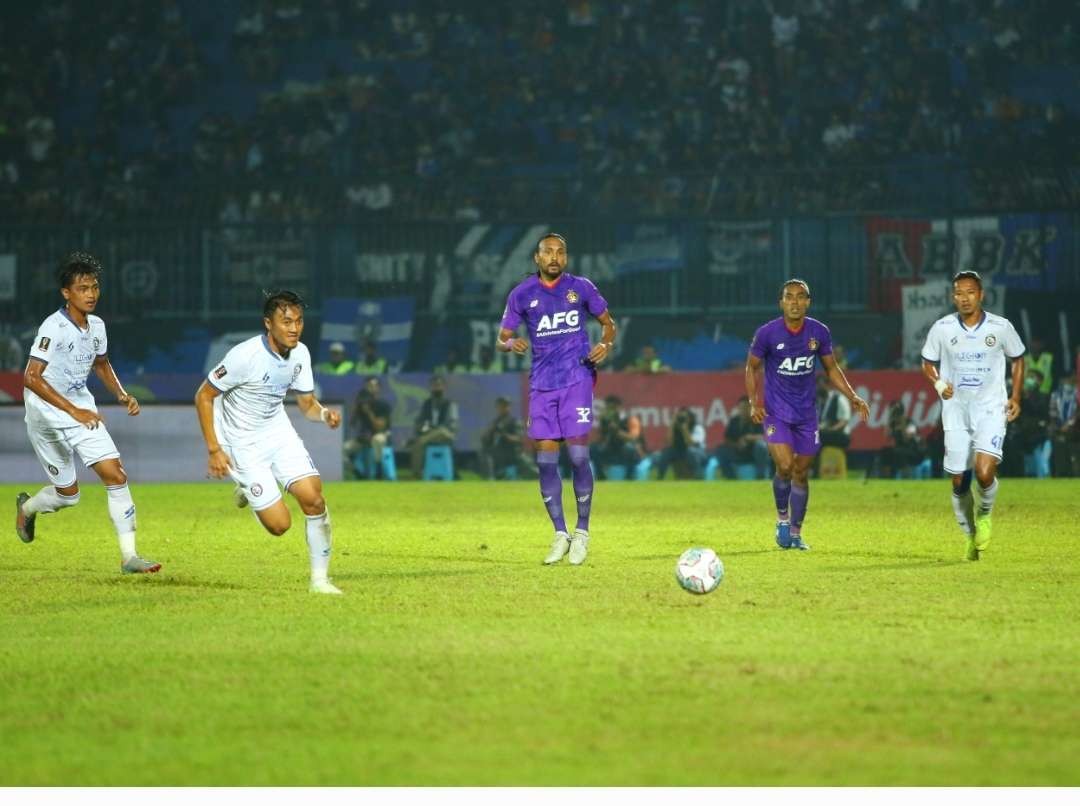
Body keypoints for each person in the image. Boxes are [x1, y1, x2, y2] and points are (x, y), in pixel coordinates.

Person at [15, 252, 160, 574]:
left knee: (116, 475)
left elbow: (101, 363)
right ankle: (27, 508)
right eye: (83, 288)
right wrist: (72, 410)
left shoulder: (97, 326)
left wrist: (122, 395)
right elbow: (31, 377)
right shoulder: (52, 328)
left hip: (82, 411)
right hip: (46, 415)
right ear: (66, 293)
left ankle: (129, 557)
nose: (91, 294)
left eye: (95, 287)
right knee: (68, 496)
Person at [194, 290, 344, 594]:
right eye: (286, 321)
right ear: (268, 323)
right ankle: (248, 489)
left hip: (278, 433)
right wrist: (214, 449)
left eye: (299, 321)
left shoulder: (300, 353)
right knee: (280, 526)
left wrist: (325, 414)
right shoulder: (243, 356)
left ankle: (320, 581)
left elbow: (306, 404)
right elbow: (204, 396)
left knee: (314, 499)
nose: (294, 328)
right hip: (244, 444)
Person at [496, 232, 616, 566]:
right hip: (542, 385)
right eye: (548, 252)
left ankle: (582, 533)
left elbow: (609, 325)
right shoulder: (522, 294)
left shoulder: (582, 288)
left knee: (578, 457)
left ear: (566, 258)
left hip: (577, 378)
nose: (554, 257)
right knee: (546, 461)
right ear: (537, 258)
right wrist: (511, 344)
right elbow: (501, 339)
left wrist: (605, 345)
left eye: (560, 252)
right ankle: (560, 533)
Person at [745, 278, 869, 550]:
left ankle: (797, 532)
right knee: (785, 467)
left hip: (806, 416)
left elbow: (832, 369)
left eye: (800, 297)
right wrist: (754, 403)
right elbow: (751, 367)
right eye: (789, 296)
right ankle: (781, 518)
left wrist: (853, 396)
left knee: (801, 472)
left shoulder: (819, 332)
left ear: (808, 302)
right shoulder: (767, 333)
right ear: (781, 302)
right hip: (776, 413)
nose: (794, 301)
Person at [921, 270, 1025, 561]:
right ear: (953, 296)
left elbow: (1018, 358)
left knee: (983, 471)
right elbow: (927, 363)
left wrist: (1015, 396)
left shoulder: (1000, 327)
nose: (964, 298)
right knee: (959, 481)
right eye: (958, 293)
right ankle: (969, 537)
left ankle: (986, 513)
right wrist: (940, 383)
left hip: (991, 408)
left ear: (981, 295)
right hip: (956, 412)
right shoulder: (942, 328)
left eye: (970, 292)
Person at [408, 374, 459, 478]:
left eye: (439, 385)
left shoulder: (450, 404)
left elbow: (452, 425)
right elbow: (420, 421)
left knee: (439, 431)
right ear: (430, 387)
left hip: (446, 434)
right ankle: (417, 473)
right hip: (429, 435)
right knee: (420, 440)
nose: (437, 387)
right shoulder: (427, 404)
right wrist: (422, 428)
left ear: (444, 387)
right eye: (434, 385)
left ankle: (419, 440)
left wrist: (433, 429)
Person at [343, 376, 392, 479]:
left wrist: (369, 412)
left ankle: (379, 472)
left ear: (379, 388)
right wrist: (356, 407)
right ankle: (358, 472)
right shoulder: (362, 403)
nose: (371, 388)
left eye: (374, 386)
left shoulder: (383, 404)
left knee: (377, 440)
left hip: (381, 434)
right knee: (343, 449)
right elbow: (352, 424)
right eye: (369, 386)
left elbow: (380, 427)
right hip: (364, 437)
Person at [714, 396, 770, 479]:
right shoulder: (734, 421)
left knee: (761, 446)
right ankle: (731, 477)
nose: (744, 410)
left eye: (746, 408)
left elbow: (767, 436)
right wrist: (737, 444)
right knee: (720, 449)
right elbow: (727, 439)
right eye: (741, 408)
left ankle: (761, 476)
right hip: (738, 452)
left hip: (752, 452)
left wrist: (749, 438)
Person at [594, 394, 646, 479]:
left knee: (631, 449)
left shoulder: (630, 419)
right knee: (593, 449)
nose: (611, 411)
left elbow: (633, 437)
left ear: (619, 407)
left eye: (613, 408)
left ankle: (629, 477)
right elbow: (602, 438)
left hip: (625, 448)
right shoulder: (605, 420)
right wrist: (604, 425)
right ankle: (601, 477)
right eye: (608, 408)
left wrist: (617, 431)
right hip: (610, 448)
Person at [479, 395, 529, 480]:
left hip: (513, 453)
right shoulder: (495, 422)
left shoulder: (514, 421)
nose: (502, 408)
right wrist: (490, 432)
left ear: (509, 407)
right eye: (500, 406)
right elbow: (485, 439)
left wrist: (504, 435)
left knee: (532, 472)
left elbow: (519, 439)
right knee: (485, 453)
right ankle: (490, 479)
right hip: (499, 453)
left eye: (505, 405)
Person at [655, 407, 707, 479]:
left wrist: (685, 429)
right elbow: (669, 442)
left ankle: (698, 477)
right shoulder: (676, 427)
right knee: (666, 452)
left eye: (685, 417)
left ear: (690, 418)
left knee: (691, 451)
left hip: (696, 451)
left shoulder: (697, 427)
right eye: (680, 417)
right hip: (680, 451)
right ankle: (660, 477)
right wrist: (672, 425)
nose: (682, 419)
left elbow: (691, 443)